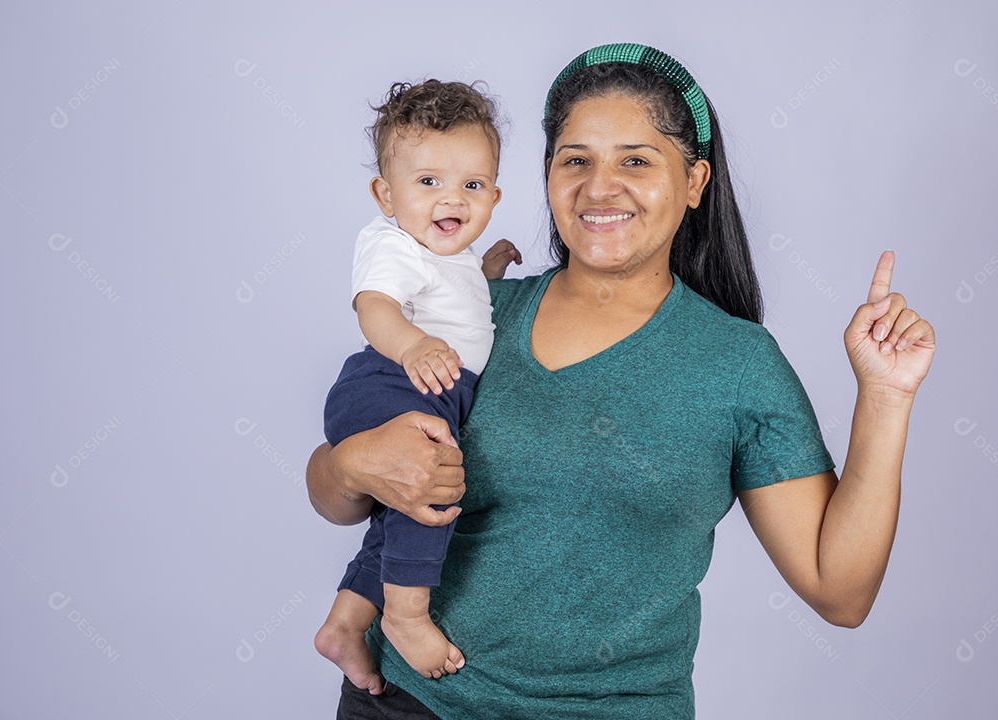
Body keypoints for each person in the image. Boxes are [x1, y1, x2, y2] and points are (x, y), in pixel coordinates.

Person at [307, 43, 936, 720]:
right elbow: (338, 491)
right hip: (411, 704)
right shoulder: (477, 319)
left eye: (635, 160)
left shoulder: (738, 365)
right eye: (575, 160)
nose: (600, 188)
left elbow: (839, 593)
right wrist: (350, 465)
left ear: (694, 182)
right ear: (547, 177)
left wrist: (886, 398)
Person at [313, 78, 523, 693]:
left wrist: (486, 270)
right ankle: (406, 613)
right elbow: (374, 306)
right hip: (392, 381)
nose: (450, 198)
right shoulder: (391, 244)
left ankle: (346, 621)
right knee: (431, 485)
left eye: (472, 185)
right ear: (385, 194)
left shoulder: (443, 252)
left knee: (397, 511)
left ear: (494, 194)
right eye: (427, 181)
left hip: (427, 388)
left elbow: (450, 297)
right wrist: (412, 345)